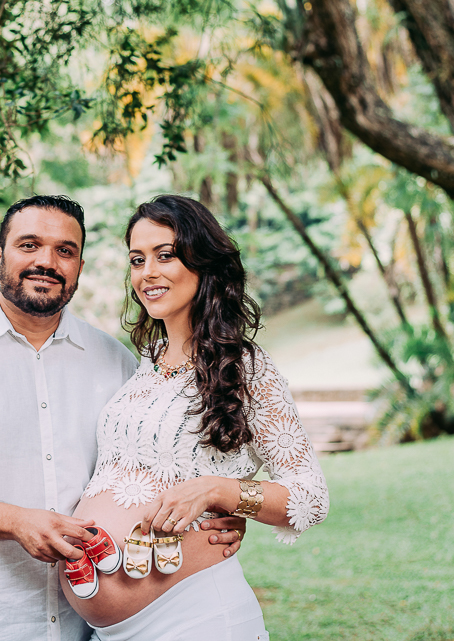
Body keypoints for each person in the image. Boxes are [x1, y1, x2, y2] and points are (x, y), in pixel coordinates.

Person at [0, 195, 245, 641]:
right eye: (28, 245)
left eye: (64, 250)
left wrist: (219, 511)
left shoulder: (115, 361)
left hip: (87, 631)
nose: (46, 262)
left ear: (79, 268)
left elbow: (157, 465)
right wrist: (17, 522)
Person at [60, 195, 329, 640]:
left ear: (203, 262)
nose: (148, 273)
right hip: (115, 632)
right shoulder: (146, 362)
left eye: (166, 255)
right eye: (137, 260)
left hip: (198, 617)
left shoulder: (245, 367)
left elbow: (310, 497)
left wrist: (218, 492)